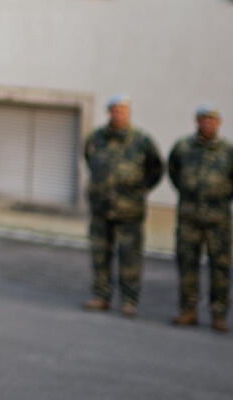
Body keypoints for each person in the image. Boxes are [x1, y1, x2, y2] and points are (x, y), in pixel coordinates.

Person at [81, 95, 164, 317]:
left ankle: (129, 300)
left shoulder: (142, 141)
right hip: (101, 208)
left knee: (130, 256)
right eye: (115, 110)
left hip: (129, 211)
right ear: (109, 112)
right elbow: (89, 159)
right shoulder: (96, 138)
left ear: (129, 113)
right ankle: (101, 296)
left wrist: (137, 190)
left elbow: (156, 169)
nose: (119, 115)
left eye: (123, 111)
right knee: (100, 254)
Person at [168, 104, 231, 331]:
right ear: (197, 122)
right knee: (187, 265)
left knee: (220, 268)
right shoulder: (184, 147)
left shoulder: (228, 151)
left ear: (218, 123)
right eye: (204, 119)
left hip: (218, 220)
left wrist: (221, 196)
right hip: (189, 217)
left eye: (212, 120)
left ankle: (219, 314)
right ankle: (188, 310)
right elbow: (173, 171)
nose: (207, 123)